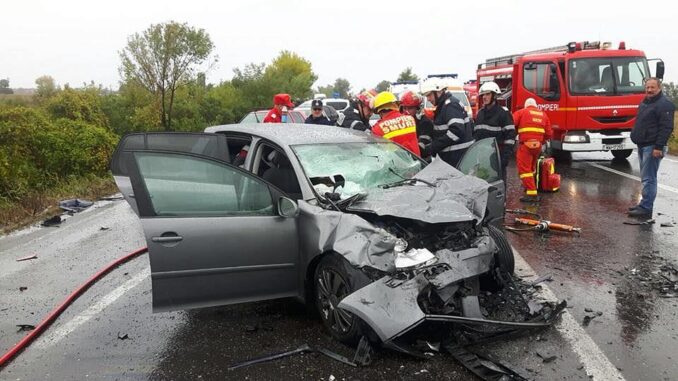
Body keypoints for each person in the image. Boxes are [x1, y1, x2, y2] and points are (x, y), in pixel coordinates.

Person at [628, 78, 676, 218]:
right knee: (645, 177)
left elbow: (666, 128)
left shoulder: (665, 105)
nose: (649, 90)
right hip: (643, 144)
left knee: (649, 178)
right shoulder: (646, 102)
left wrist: (658, 147)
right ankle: (644, 204)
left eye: (652, 87)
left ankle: (646, 207)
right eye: (647, 87)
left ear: (659, 88)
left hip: (653, 146)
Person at [419, 77, 474, 167]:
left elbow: (456, 132)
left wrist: (432, 147)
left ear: (439, 92)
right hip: (452, 159)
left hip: (458, 159)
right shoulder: (444, 106)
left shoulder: (451, 105)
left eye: (429, 95)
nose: (428, 99)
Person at [512, 98, 553, 203]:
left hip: (525, 145)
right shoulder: (543, 115)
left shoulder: (522, 112)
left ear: (526, 105)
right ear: (535, 105)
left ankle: (531, 193)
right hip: (537, 146)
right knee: (531, 168)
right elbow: (549, 133)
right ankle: (530, 186)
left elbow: (511, 124)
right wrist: (540, 141)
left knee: (524, 170)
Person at [474, 81, 516, 177]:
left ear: (494, 95)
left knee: (498, 186)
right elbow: (475, 136)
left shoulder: (503, 113)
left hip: (496, 157)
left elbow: (510, 138)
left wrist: (504, 159)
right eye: (483, 95)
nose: (484, 97)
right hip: (482, 157)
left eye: (488, 94)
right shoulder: (480, 113)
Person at [371, 91, 421, 156]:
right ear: (395, 105)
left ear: (379, 111)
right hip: (417, 163)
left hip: (395, 165)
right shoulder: (410, 119)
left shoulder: (377, 129)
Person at [400, 91, 434, 160]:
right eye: (404, 108)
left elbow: (421, 147)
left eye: (410, 108)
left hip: (423, 162)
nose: (406, 111)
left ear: (418, 109)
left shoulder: (425, 123)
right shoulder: (403, 122)